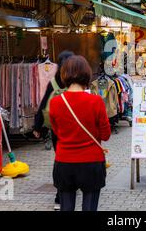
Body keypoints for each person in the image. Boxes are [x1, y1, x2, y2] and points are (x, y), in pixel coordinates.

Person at [49, 55, 111, 211]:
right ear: (87, 74)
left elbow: (56, 131)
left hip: (64, 161)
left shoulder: (55, 102)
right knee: (90, 207)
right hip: (91, 161)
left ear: (64, 74)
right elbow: (106, 135)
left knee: (66, 206)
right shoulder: (96, 101)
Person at [33, 50, 74, 210]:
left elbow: (43, 105)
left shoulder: (54, 82)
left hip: (58, 130)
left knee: (60, 161)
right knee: (72, 161)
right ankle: (67, 190)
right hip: (74, 129)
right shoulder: (77, 82)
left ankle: (61, 194)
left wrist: (38, 127)